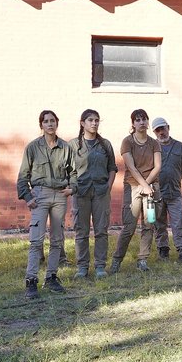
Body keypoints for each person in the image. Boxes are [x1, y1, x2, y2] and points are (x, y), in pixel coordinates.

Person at [17, 110, 76, 299]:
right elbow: (23, 176)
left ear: (57, 123)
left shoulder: (65, 147)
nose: (50, 124)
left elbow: (74, 173)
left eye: (52, 121)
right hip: (40, 195)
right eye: (46, 121)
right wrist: (28, 197)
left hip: (60, 195)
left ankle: (51, 277)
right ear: (41, 125)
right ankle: (31, 280)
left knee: (57, 240)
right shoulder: (33, 147)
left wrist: (72, 188)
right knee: (36, 240)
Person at [111, 109, 161, 274]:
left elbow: (158, 166)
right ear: (133, 123)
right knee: (129, 226)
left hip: (151, 188)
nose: (141, 122)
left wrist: (147, 185)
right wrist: (143, 185)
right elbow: (131, 167)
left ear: (148, 121)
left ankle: (142, 259)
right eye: (138, 120)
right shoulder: (127, 142)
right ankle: (117, 260)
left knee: (149, 224)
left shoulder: (154, 143)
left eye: (144, 119)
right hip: (132, 187)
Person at [70, 109, 117, 279]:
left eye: (97, 120)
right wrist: (73, 187)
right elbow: (68, 170)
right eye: (90, 120)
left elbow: (112, 168)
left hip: (101, 192)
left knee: (101, 230)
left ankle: (100, 266)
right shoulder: (73, 145)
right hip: (81, 192)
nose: (94, 123)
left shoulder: (105, 144)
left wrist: (108, 187)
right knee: (81, 231)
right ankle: (82, 267)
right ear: (82, 123)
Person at [152, 117, 182, 263]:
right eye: (157, 130)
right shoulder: (152, 147)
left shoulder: (179, 146)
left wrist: (174, 178)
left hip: (174, 192)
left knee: (178, 222)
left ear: (168, 128)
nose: (161, 132)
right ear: (154, 132)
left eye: (163, 128)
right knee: (159, 223)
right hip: (156, 192)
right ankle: (163, 251)